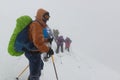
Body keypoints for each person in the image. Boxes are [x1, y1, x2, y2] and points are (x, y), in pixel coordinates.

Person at [23, 8, 54, 80]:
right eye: (46, 17)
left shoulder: (39, 25)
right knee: (35, 75)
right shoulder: (36, 25)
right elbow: (37, 42)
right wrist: (48, 50)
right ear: (40, 16)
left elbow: (38, 39)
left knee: (39, 68)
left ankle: (31, 77)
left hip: (34, 52)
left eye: (48, 17)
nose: (47, 19)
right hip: (32, 53)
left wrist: (47, 40)